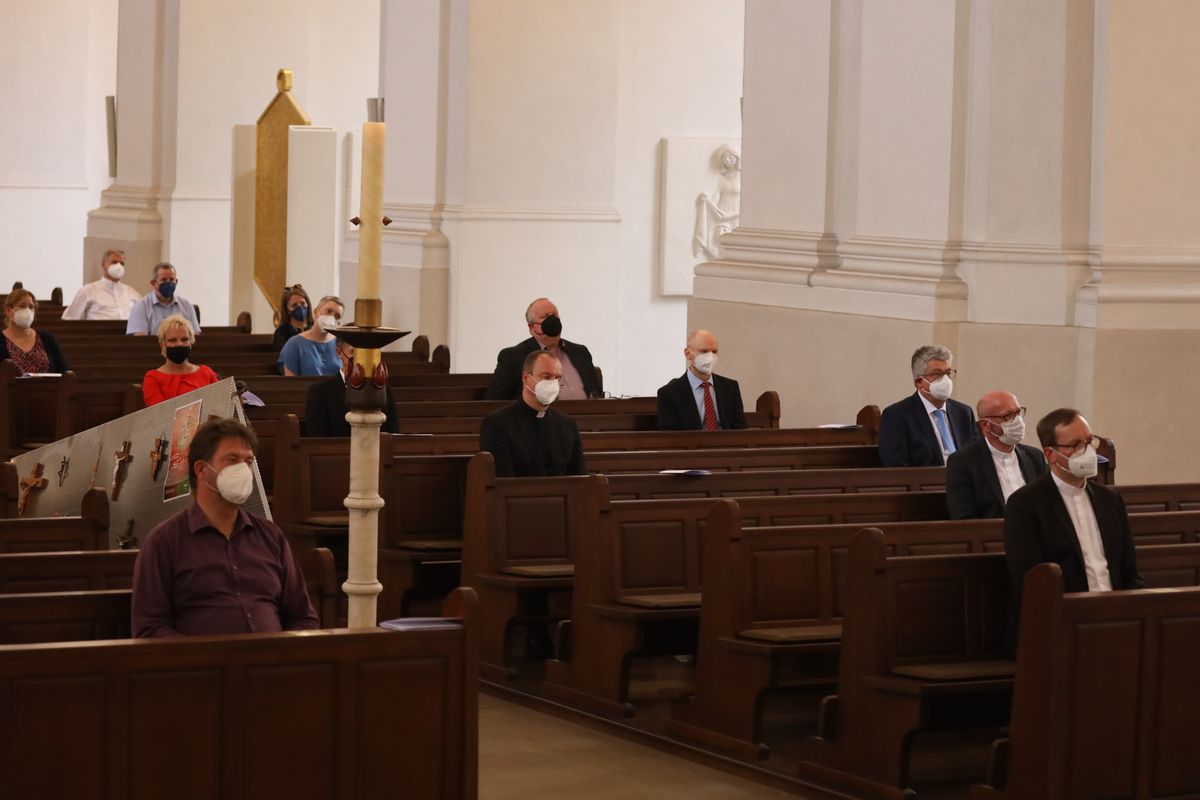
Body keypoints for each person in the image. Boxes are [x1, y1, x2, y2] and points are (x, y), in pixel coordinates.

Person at [131, 418, 319, 637]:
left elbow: (304, 618)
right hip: (203, 667)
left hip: (271, 665)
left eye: (248, 461)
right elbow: (149, 628)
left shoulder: (271, 536)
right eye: (232, 460)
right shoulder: (163, 542)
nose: (243, 469)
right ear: (202, 470)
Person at [1002, 408, 1141, 654]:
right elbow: (1030, 579)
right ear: (1050, 454)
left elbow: (1129, 568)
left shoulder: (1110, 499)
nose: (1086, 451)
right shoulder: (1025, 503)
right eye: (1075, 445)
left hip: (1116, 620)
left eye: (1089, 442)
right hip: (1061, 625)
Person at [479, 350, 586, 477]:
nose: (553, 383)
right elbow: (502, 482)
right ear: (526, 378)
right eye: (546, 377)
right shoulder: (497, 424)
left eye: (557, 378)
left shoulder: (567, 425)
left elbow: (580, 478)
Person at [944, 391, 1046, 519]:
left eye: (1018, 413)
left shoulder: (1034, 456)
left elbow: (1047, 505)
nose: (1017, 421)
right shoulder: (962, 461)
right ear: (985, 425)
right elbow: (963, 517)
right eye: (1008, 416)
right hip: (991, 536)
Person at [878, 345, 978, 467]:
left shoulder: (963, 412)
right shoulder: (897, 416)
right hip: (926, 484)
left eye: (948, 373)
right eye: (937, 374)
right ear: (919, 381)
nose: (945, 380)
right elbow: (897, 467)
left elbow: (977, 458)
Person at [484, 297, 601, 401]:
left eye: (555, 315)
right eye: (545, 317)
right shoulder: (514, 357)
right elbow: (493, 402)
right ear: (532, 327)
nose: (552, 320)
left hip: (588, 422)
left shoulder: (580, 352)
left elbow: (596, 394)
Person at [305, 340, 399, 436]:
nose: (361, 359)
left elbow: (393, 434)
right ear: (339, 352)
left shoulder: (383, 390)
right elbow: (316, 440)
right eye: (354, 352)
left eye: (366, 353)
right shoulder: (320, 392)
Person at [656, 329, 746, 430]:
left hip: (725, 444)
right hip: (690, 444)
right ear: (687, 353)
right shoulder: (669, 393)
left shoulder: (730, 388)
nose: (710, 357)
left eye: (714, 352)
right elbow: (669, 437)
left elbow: (740, 430)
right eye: (704, 351)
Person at [142, 314, 219, 406]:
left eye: (184, 339)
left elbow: (220, 404)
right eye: (172, 340)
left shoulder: (207, 373)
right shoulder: (153, 378)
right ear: (163, 344)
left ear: (191, 342)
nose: (179, 344)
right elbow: (160, 415)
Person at [61, 248, 141, 320]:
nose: (118, 266)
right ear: (103, 265)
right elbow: (69, 320)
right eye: (114, 262)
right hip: (98, 335)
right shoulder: (88, 291)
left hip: (129, 335)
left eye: (122, 263)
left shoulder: (132, 293)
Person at [126, 261, 202, 336]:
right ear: (153, 283)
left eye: (172, 279)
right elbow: (140, 340)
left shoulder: (186, 306)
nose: (168, 283)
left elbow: (195, 336)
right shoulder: (141, 306)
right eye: (164, 280)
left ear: (176, 282)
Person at [2, 289, 69, 374]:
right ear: (8, 311)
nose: (28, 311)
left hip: (47, 387)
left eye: (31, 307)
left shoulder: (48, 339)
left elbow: (63, 372)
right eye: (22, 306)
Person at [278, 295, 343, 376]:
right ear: (316, 312)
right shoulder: (294, 344)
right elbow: (291, 383)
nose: (332, 317)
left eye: (337, 316)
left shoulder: (341, 344)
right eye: (328, 311)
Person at [273, 283, 312, 352]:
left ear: (307, 304)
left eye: (303, 303)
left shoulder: (314, 327)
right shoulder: (281, 333)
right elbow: (284, 357)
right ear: (287, 310)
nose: (300, 307)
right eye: (294, 305)